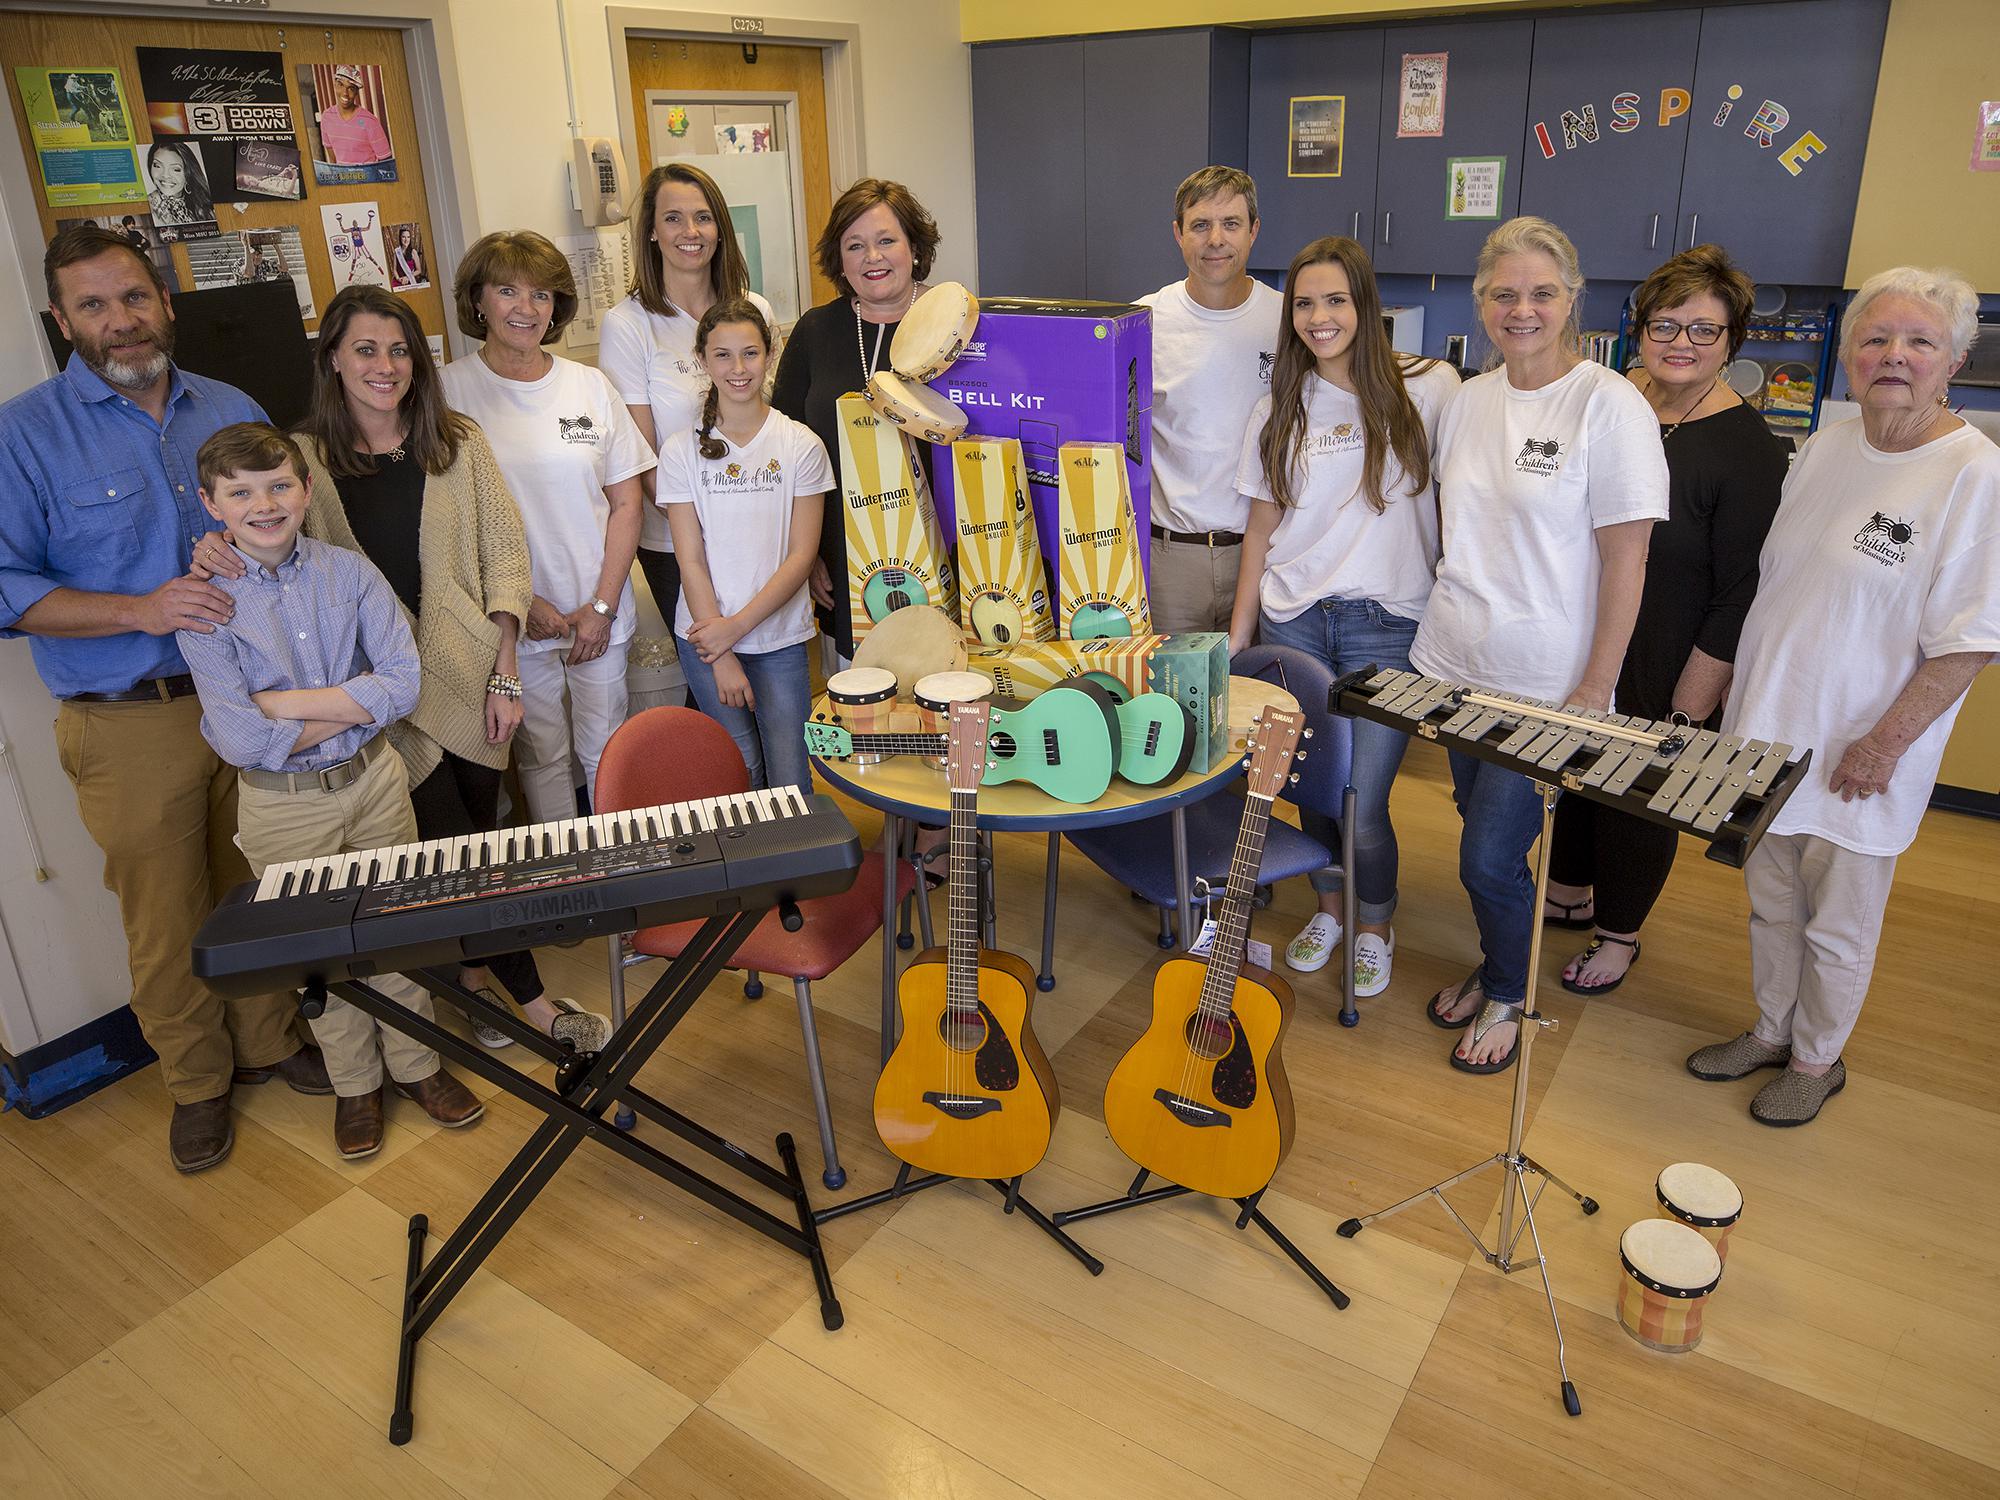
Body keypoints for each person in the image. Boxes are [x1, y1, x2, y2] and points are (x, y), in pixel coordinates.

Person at [191, 285, 611, 1054]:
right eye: (364, 349)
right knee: (454, 858)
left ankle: (478, 986)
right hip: (384, 700)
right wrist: (213, 549)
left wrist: (507, 672)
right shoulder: (303, 461)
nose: (384, 366)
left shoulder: (458, 443)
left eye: (398, 350)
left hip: (475, 680)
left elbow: (505, 559)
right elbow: (264, 535)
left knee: (477, 840)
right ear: (334, 361)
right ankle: (537, 1008)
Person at [0, 227, 327, 1174]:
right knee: (163, 912)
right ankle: (195, 1082)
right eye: (94, 306)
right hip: (131, 714)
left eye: (134, 298)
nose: (120, 321)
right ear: (63, 321)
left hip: (254, 702)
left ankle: (271, 1041)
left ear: (166, 302)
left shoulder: (226, 408)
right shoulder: (26, 434)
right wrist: (138, 607)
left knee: (260, 886)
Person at [1687, 266, 1999, 1126]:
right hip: (1770, 736)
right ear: (1850, 356)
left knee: (1838, 927)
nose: (1893, 355)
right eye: (1875, 338)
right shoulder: (1826, 445)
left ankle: (1818, 1060)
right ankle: (1771, 1030)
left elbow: (1969, 642)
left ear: (1954, 359)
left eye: (1919, 342)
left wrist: (1884, 744)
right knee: (1772, 905)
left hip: (1860, 753)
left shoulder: (1974, 475)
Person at [176, 423, 483, 1159]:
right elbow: (239, 741)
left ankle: (417, 1065)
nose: (265, 503)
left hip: (376, 783)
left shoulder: (350, 575)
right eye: (242, 492)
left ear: (307, 491)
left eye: (280, 485)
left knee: (391, 930)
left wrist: (283, 704)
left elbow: (405, 685)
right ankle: (355, 1086)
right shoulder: (206, 604)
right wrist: (350, 699)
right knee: (320, 950)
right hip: (284, 807)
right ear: (211, 504)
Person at [1412, 216, 1668, 1073]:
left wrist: (1598, 684)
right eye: (1505, 294)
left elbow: (1626, 556)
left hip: (1545, 681)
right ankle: (1498, 963)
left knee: (1486, 857)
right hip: (1454, 662)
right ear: (1483, 302)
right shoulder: (1469, 399)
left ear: (1574, 301)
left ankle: (1511, 995)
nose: (1523, 309)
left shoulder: (1608, 404)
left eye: (1542, 293)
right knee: (1483, 839)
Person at [1543, 245, 1788, 995]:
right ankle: (1570, 888)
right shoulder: (1611, 403)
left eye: (1703, 330)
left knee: (1638, 795)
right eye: (1665, 324)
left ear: (1732, 341)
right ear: (1637, 329)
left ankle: (1619, 934)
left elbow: (1743, 587)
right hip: (1589, 635)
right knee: (1576, 769)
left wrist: (1696, 694)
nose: (1681, 342)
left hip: (1672, 652)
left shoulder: (1749, 449)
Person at [1227, 236, 1458, 999]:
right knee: (1312, 792)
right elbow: (1261, 531)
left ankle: (1374, 925)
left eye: (1335, 300)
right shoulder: (1278, 407)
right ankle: (1330, 909)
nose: (1319, 318)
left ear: (1365, 305)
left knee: (1362, 802)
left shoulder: (1431, 389)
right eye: (1304, 303)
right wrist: (1239, 637)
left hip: (1387, 627)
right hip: (1293, 623)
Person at [441, 230, 654, 820]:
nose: (525, 309)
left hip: (598, 612)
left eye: (541, 295)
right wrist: (516, 601)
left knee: (606, 748)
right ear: (478, 301)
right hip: (512, 618)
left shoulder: (589, 386)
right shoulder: (447, 394)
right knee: (541, 755)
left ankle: (617, 870)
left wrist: (603, 606)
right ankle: (565, 878)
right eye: (507, 291)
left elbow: (627, 503)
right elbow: (449, 524)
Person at [600, 163, 777, 641]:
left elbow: (770, 428)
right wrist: (701, 534)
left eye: (703, 217)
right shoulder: (628, 325)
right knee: (713, 666)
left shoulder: (754, 310)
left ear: (720, 229)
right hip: (673, 541)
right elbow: (640, 455)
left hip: (758, 527)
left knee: (767, 662)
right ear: (652, 232)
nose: (690, 231)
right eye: (673, 218)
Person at [661, 299, 830, 793]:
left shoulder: (800, 444)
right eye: (723, 355)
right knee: (739, 771)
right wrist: (722, 650)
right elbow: (689, 558)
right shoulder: (680, 450)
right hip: (705, 642)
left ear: (770, 354)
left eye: (750, 354)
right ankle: (753, 870)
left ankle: (794, 871)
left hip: (779, 641)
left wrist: (736, 629)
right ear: (703, 359)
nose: (738, 369)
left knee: (791, 778)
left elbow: (801, 556)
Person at [772, 177, 943, 661]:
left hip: (948, 556)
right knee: (861, 710)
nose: (873, 257)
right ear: (840, 260)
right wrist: (804, 556)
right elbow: (786, 451)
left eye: (887, 240)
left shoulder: (958, 324)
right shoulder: (816, 331)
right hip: (842, 561)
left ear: (914, 246)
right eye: (856, 245)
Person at [1140, 166, 1282, 633]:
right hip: (1171, 560)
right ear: (1178, 234)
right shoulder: (1143, 321)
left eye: (1231, 224)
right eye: (1200, 225)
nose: (1215, 239)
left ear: (1254, 231)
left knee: (1260, 699)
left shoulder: (1288, 319)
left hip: (1268, 554)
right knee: (1170, 700)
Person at [319, 63, 394, 166]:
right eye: (341, 85)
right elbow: (333, 157)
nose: (345, 93)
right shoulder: (327, 117)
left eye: (351, 88)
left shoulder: (370, 121)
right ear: (335, 85)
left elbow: (386, 162)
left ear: (356, 92)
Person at [146, 140, 213, 231]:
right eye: (157, 165)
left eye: (176, 169)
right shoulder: (149, 205)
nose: (165, 175)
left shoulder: (202, 203)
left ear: (189, 174)